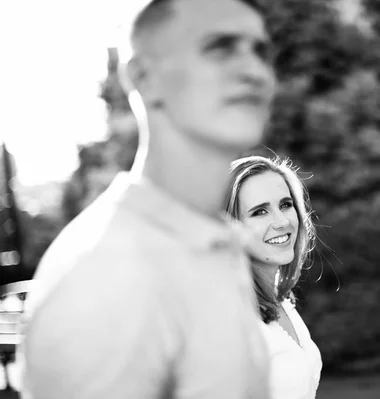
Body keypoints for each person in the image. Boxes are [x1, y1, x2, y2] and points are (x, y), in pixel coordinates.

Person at [19, 0, 276, 398]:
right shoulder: (104, 274)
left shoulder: (217, 243)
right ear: (144, 76)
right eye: (220, 47)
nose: (255, 71)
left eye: (260, 51)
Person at [224, 155, 323, 399]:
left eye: (286, 205)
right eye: (259, 212)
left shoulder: (281, 300)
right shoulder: (228, 320)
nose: (282, 221)